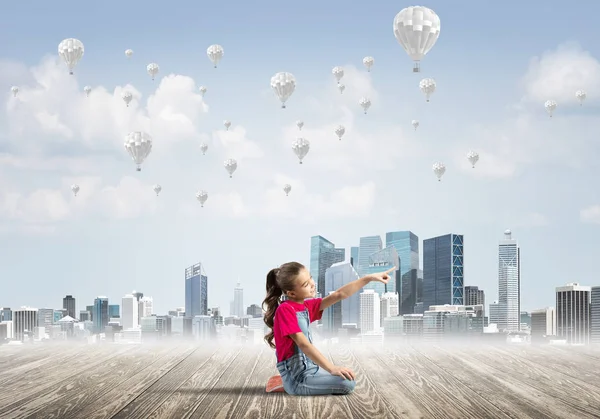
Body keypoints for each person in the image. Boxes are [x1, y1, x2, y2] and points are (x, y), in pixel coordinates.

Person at [262, 261, 395, 396]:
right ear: (292, 293)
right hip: (298, 377)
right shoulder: (285, 310)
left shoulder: (306, 306)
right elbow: (303, 344)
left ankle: (282, 380)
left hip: (311, 368)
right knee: (347, 385)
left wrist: (369, 278)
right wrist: (332, 368)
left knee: (347, 376)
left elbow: (339, 294)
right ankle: (287, 382)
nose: (313, 284)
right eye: (306, 284)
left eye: (311, 278)